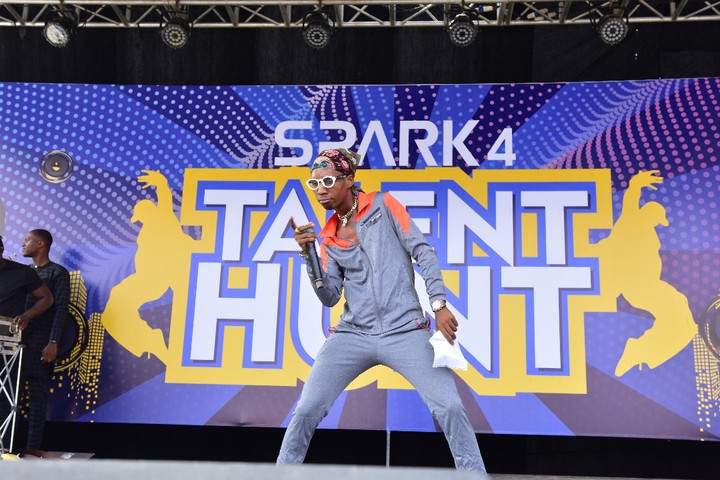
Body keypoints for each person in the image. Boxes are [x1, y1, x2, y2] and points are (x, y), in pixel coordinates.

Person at [276, 149, 486, 472]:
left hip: (405, 330)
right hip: (353, 333)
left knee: (450, 407)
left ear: (349, 180)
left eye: (328, 181)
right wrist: (310, 256)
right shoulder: (328, 237)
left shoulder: (383, 204)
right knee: (306, 409)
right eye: (314, 183)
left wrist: (439, 304)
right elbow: (330, 296)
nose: (320, 189)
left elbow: (423, 252)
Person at [0, 234, 53, 452]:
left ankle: (4, 449)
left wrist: (27, 315)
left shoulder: (22, 272)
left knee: (6, 396)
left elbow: (47, 298)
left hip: (8, 341)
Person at [19, 229, 71, 450]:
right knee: (10, 396)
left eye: (27, 240)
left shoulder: (57, 272)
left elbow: (61, 309)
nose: (22, 244)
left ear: (41, 244)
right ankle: (8, 448)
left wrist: (53, 342)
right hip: (17, 341)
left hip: (41, 341)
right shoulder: (23, 272)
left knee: (36, 399)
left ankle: (32, 450)